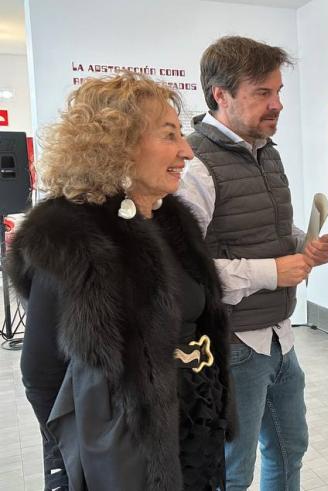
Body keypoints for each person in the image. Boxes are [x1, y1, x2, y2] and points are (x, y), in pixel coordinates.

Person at [6, 72, 232, 490]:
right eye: (169, 135)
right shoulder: (71, 235)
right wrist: (67, 464)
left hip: (196, 431)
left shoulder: (172, 220)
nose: (186, 151)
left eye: (182, 135)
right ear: (117, 144)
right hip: (128, 459)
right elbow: (41, 372)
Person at [176, 36, 328, 491]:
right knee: (233, 470)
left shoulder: (267, 151)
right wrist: (273, 272)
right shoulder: (194, 166)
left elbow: (265, 232)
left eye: (279, 91)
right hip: (231, 343)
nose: (278, 104)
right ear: (220, 95)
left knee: (289, 449)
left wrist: (305, 245)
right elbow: (186, 271)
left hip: (280, 337)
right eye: (262, 93)